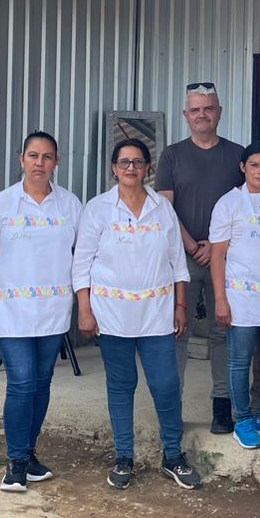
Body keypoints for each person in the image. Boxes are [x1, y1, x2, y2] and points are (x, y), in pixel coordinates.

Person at [74, 138, 201, 492]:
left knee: (166, 384)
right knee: (121, 385)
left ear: (148, 168)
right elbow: (81, 264)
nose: (131, 168)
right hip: (111, 315)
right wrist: (85, 309)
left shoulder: (162, 208)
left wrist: (180, 306)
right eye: (124, 162)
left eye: (138, 162)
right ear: (114, 168)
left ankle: (172, 455)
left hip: (157, 314)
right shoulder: (98, 209)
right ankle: (124, 457)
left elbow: (178, 262)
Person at [0, 130, 83, 493]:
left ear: (57, 162)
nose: (40, 163)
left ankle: (29, 451)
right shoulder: (2, 205)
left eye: (47, 157)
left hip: (53, 310)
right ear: (21, 159)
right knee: (21, 382)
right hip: (11, 311)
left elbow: (80, 256)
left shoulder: (70, 205)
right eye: (33, 156)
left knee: (42, 382)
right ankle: (16, 462)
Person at [156, 81, 246, 435]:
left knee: (223, 332)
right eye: (195, 110)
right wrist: (193, 245)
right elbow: (165, 207)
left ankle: (222, 405)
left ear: (219, 112)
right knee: (178, 330)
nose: (202, 115)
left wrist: (216, 246)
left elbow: (244, 206)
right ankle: (173, 406)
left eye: (208, 108)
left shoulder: (237, 154)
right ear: (185, 115)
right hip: (183, 257)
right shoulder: (172, 155)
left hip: (227, 257)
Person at [209, 142, 260, 449]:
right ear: (243, 167)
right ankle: (242, 420)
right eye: (254, 165)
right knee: (239, 361)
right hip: (240, 297)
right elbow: (217, 255)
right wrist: (220, 299)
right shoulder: (228, 203)